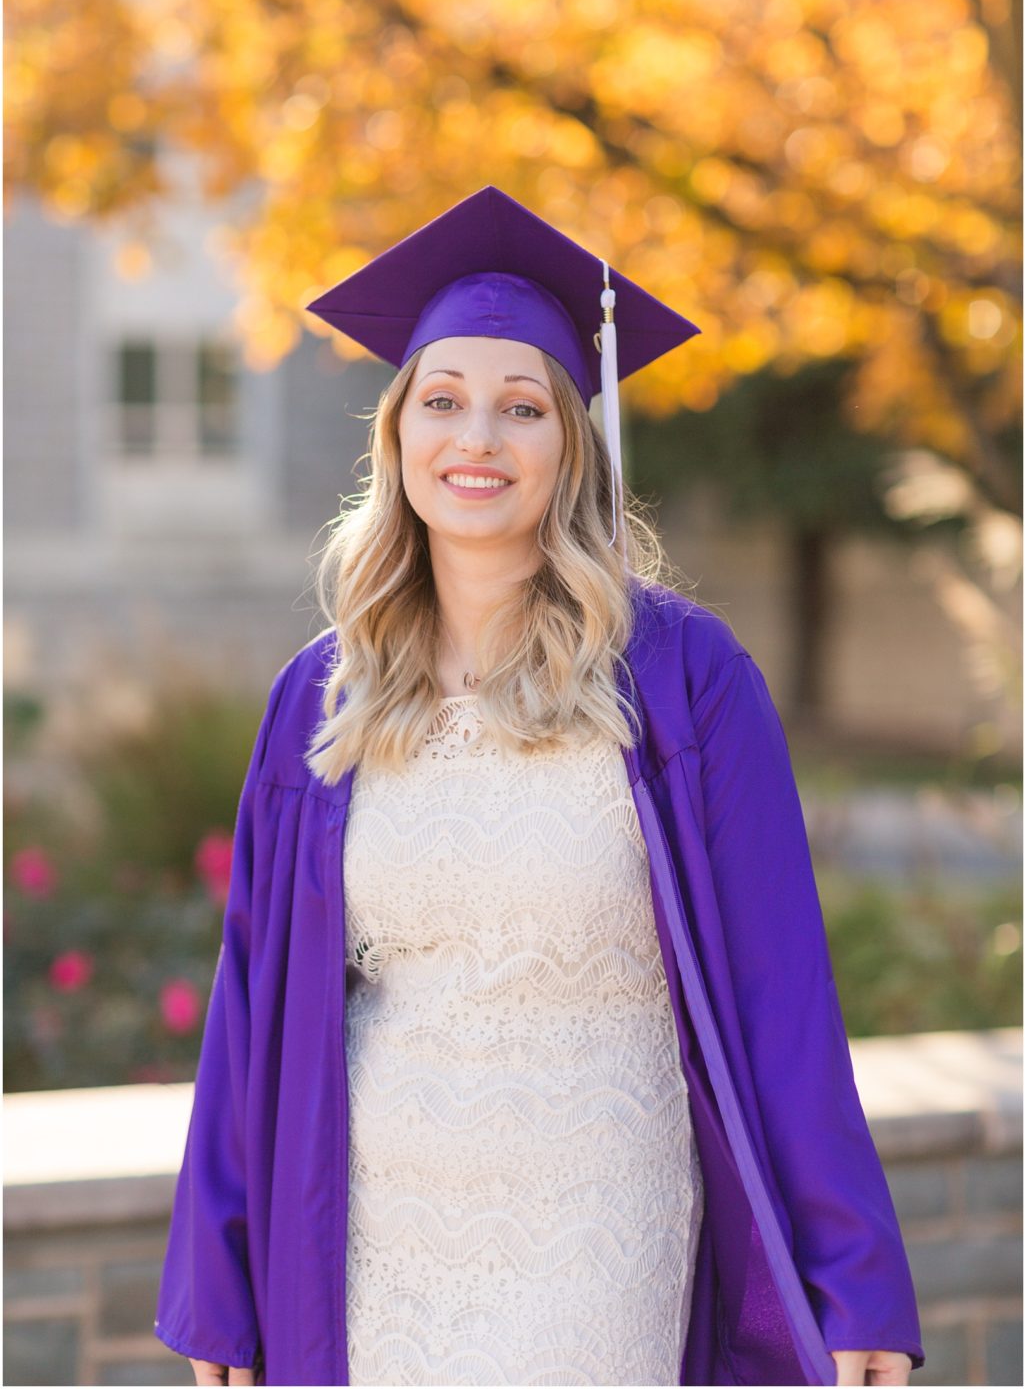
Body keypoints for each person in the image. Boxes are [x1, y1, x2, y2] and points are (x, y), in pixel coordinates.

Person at [154, 186, 925, 1387]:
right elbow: (252, 1002)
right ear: (398, 433)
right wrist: (219, 1289)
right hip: (373, 1231)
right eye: (444, 403)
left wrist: (855, 1275)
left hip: (599, 1220)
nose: (478, 441)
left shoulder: (682, 677)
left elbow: (785, 992)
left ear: (574, 443)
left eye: (522, 409)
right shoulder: (322, 697)